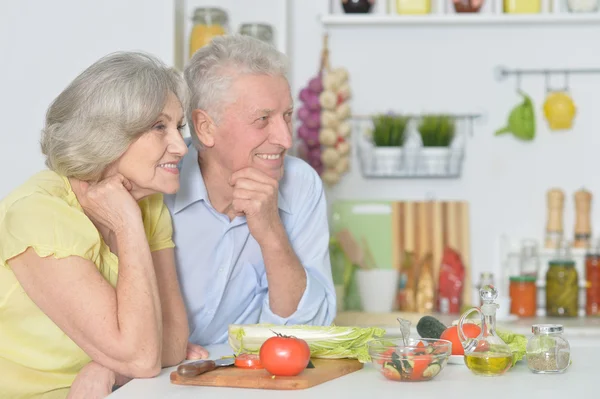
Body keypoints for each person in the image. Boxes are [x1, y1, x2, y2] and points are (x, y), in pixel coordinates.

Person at [0, 52, 202, 399]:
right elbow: (143, 358)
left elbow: (169, 342)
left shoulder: (148, 203)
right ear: (108, 135)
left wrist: (107, 367)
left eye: (178, 126)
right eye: (159, 127)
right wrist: (127, 224)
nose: (180, 146)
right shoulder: (38, 216)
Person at [165, 34, 336, 346]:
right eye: (262, 119)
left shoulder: (301, 185)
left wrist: (271, 232)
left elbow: (308, 333)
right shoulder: (159, 184)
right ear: (205, 127)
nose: (285, 139)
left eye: (287, 115)